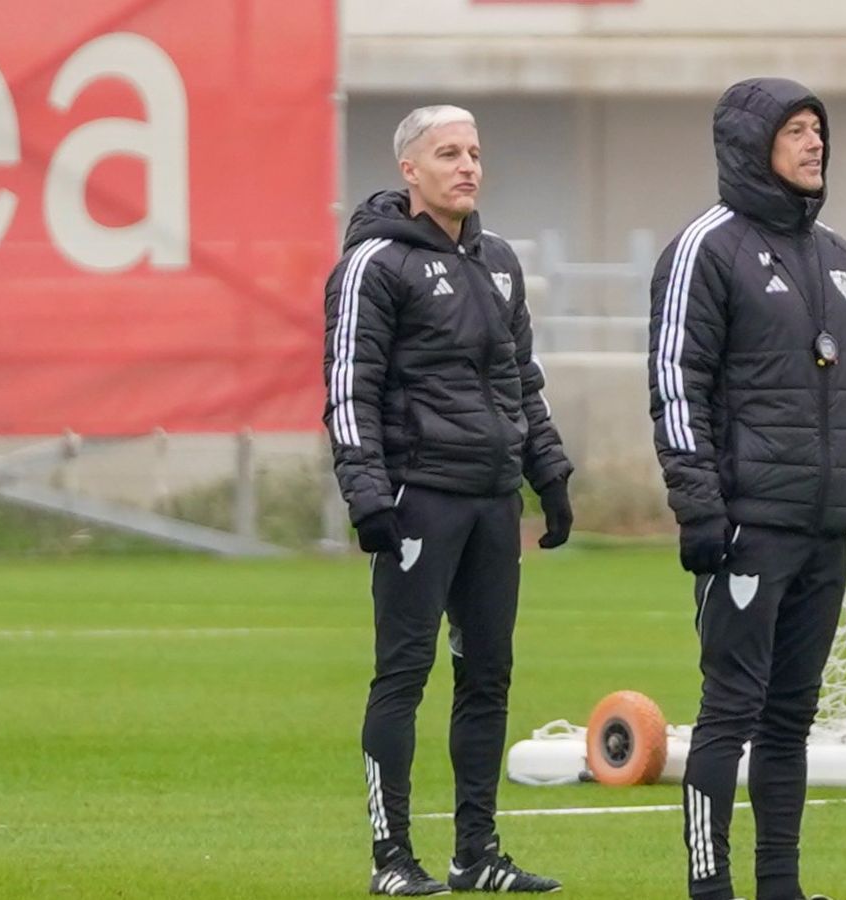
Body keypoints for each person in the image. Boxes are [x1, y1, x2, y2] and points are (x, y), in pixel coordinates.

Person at [647, 77, 846, 900]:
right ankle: (709, 885)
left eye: (818, 129)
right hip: (746, 525)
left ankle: (779, 886)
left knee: (791, 717)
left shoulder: (837, 257)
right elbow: (674, 382)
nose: (814, 143)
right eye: (795, 130)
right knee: (731, 709)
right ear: (751, 145)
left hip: (823, 527)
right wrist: (698, 505)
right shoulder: (705, 248)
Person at [323, 104, 572, 896]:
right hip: (418, 498)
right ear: (410, 171)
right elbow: (348, 388)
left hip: (492, 500)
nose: (467, 165)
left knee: (488, 676)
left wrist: (549, 473)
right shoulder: (374, 264)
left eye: (473, 152)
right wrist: (367, 494)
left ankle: (477, 853)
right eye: (447, 153)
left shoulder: (499, 261)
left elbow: (519, 380)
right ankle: (391, 857)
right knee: (403, 674)